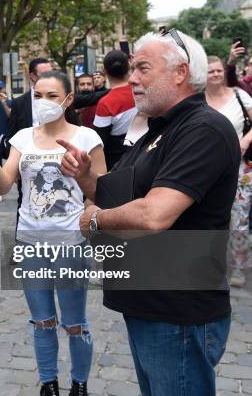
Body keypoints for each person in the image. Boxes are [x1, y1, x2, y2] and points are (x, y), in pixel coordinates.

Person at [61, 29, 240, 395]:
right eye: (131, 69)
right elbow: (120, 195)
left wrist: (93, 220)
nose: (132, 79)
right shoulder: (159, 129)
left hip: (179, 313)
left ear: (180, 72)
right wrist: (85, 178)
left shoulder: (203, 129)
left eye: (143, 68)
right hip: (151, 305)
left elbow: (154, 214)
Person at [0, 71, 106, 396]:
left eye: (52, 96)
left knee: (75, 324)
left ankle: (79, 384)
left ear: (68, 100)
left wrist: (90, 216)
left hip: (70, 245)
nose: (44, 102)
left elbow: (102, 193)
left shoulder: (88, 138)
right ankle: (48, 383)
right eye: (38, 95)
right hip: (30, 244)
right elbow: (3, 185)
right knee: (42, 321)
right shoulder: (22, 137)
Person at [205, 55, 252, 287]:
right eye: (210, 71)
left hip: (239, 169)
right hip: (206, 169)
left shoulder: (239, 96)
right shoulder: (197, 100)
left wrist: (245, 141)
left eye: (218, 71)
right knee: (210, 218)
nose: (215, 75)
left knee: (240, 219)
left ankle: (239, 267)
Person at [92, 50, 137, 169]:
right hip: (143, 154)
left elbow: (98, 141)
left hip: (117, 164)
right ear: (129, 67)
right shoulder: (142, 90)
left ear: (105, 71)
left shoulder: (106, 103)